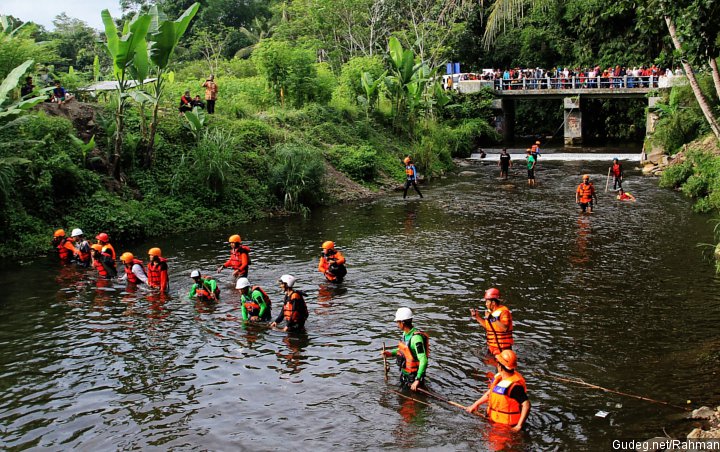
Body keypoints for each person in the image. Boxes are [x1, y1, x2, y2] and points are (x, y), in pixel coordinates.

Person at [466, 349, 530, 432]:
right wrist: (475, 404)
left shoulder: (514, 386)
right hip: (494, 422)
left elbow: (526, 404)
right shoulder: (499, 378)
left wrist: (518, 426)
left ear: (500, 366)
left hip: (507, 428)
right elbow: (491, 393)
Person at [381, 307, 430, 391]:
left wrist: (417, 380)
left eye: (398, 322)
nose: (397, 325)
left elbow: (423, 360)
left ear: (402, 323)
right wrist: (390, 353)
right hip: (405, 375)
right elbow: (404, 351)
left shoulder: (416, 339)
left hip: (414, 378)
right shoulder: (405, 334)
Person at [470, 288, 513, 356]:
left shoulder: (504, 311)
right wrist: (477, 317)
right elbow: (488, 327)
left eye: (487, 302)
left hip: (502, 349)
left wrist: (491, 318)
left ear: (493, 302)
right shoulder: (491, 312)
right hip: (492, 347)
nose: (486, 304)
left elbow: (505, 328)